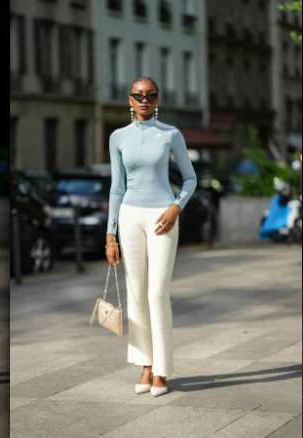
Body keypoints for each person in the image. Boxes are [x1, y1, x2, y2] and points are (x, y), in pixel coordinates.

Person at [105, 77, 197, 397]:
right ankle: (145, 364)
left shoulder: (171, 134)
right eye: (138, 95)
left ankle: (162, 369)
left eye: (150, 95)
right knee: (136, 293)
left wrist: (176, 208)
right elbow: (117, 188)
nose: (144, 100)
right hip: (129, 217)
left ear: (158, 99)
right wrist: (110, 233)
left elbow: (190, 178)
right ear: (129, 100)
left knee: (157, 294)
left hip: (163, 216)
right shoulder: (118, 137)